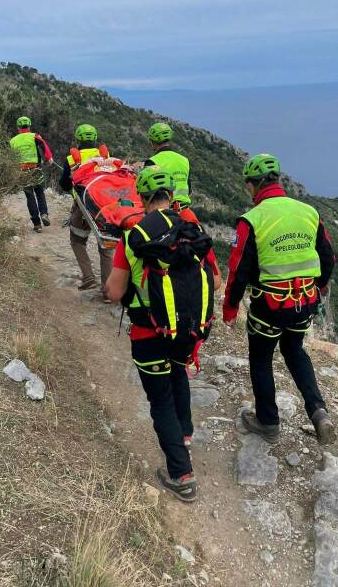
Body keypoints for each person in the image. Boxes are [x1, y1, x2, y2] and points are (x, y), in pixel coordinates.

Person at [106, 167, 221, 503]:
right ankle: (184, 435)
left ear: (141, 198)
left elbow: (114, 292)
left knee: (160, 401)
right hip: (186, 331)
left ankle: (181, 475)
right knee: (178, 376)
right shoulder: (192, 230)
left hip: (147, 334)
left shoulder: (134, 237)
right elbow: (214, 281)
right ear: (171, 196)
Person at [222, 153, 337, 445]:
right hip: (304, 301)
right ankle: (318, 411)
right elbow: (328, 257)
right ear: (278, 180)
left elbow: (239, 269)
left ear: (253, 185)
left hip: (268, 306)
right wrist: (318, 289)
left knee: (261, 358)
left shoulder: (252, 219)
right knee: (295, 351)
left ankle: (268, 422)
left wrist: (231, 307)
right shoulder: (309, 212)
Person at [59, 124, 113, 296]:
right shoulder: (105, 156)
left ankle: (88, 276)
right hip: (105, 208)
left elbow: (64, 184)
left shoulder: (72, 158)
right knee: (105, 248)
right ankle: (107, 290)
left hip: (83, 208)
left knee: (77, 240)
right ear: (95, 138)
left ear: (78, 139)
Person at [9, 116, 53, 233]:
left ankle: (37, 224)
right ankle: (44, 214)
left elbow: (11, 157)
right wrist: (49, 158)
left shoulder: (13, 141)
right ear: (29, 126)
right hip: (35, 168)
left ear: (18, 127)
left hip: (22, 171)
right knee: (39, 192)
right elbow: (44, 146)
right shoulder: (34, 136)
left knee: (29, 196)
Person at [145, 122, 192, 209]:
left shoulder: (153, 161)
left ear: (152, 141)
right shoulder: (184, 160)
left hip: (165, 211)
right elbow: (189, 189)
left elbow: (147, 192)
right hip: (185, 210)